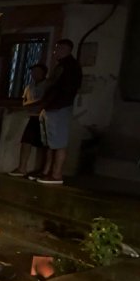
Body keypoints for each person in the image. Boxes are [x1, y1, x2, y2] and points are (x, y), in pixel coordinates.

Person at [27, 38, 83, 185]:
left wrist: (46, 102)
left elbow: (60, 89)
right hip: (52, 107)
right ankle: (46, 171)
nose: (55, 52)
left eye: (58, 49)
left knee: (58, 143)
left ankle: (56, 174)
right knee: (50, 143)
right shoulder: (64, 66)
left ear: (66, 49)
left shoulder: (70, 67)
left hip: (59, 107)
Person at [8, 64, 47, 178]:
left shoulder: (47, 86)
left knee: (42, 145)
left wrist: (28, 107)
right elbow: (24, 102)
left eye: (37, 71)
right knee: (26, 141)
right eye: (33, 71)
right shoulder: (29, 87)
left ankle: (41, 169)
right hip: (32, 116)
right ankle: (22, 167)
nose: (34, 74)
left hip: (43, 117)